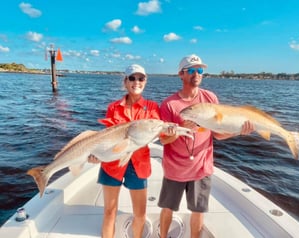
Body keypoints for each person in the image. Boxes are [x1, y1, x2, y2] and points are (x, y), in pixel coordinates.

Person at [158, 54, 255, 238]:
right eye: (192, 70)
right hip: (174, 169)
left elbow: (218, 133)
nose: (197, 74)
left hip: (201, 167)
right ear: (181, 74)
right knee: (167, 209)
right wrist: (179, 130)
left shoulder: (210, 97)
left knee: (198, 212)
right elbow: (163, 140)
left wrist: (238, 131)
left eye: (200, 70)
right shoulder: (169, 104)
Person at [89, 64, 160, 238]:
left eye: (141, 78)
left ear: (146, 81)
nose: (137, 82)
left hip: (139, 165)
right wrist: (96, 155)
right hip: (112, 162)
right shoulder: (113, 107)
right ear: (125, 82)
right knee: (109, 211)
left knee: (140, 214)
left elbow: (158, 132)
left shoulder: (151, 108)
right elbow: (106, 137)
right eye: (132, 78)